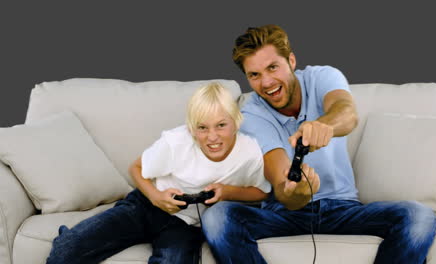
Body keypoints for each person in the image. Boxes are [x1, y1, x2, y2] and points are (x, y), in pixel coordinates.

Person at [201, 24, 436, 264]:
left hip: (344, 209)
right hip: (284, 215)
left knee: (419, 217)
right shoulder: (251, 116)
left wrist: (325, 125)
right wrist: (298, 191)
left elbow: (347, 113)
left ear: (291, 61)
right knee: (218, 217)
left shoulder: (322, 77)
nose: (267, 82)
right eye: (255, 75)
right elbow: (283, 188)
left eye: (273, 67)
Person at [46, 82, 271, 264]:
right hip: (146, 206)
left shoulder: (249, 152)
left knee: (174, 259)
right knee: (67, 250)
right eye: (203, 128)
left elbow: (261, 192)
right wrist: (156, 197)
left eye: (221, 125)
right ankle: (72, 236)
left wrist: (228, 192)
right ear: (192, 129)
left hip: (186, 224)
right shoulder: (176, 142)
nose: (212, 137)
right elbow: (136, 168)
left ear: (237, 122)